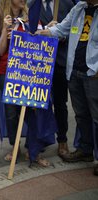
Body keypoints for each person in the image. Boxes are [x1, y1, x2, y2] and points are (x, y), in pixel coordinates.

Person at [37, 0, 98, 175]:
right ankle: (85, 150)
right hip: (75, 71)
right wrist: (42, 33)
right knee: (82, 115)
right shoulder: (79, 8)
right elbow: (61, 29)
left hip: (94, 73)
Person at [0, 0, 55, 167]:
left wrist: (40, 31)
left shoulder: (33, 18)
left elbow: (41, 46)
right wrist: (6, 30)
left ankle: (33, 148)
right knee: (11, 114)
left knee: (33, 111)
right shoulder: (0, 18)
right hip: (7, 71)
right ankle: (15, 147)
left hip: (29, 72)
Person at [27, 0, 74, 158]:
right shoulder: (32, 5)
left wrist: (62, 34)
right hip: (40, 63)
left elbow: (75, 30)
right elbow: (29, 32)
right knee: (38, 104)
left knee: (60, 104)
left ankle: (62, 140)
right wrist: (46, 31)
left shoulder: (68, 4)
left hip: (60, 61)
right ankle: (38, 141)